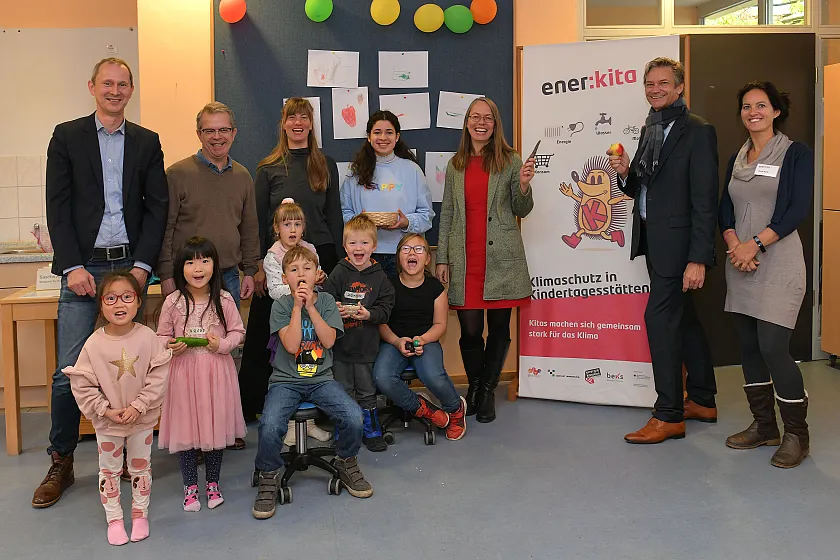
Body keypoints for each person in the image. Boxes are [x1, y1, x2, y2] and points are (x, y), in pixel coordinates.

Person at [36, 57, 168, 508]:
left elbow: (157, 209)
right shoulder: (67, 136)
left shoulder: (147, 142)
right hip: (82, 269)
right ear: (92, 86)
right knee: (68, 371)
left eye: (122, 84)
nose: (114, 91)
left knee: (131, 367)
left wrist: (144, 266)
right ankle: (62, 459)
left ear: (131, 90)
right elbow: (58, 205)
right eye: (107, 83)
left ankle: (132, 458)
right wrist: (71, 266)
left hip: (130, 267)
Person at [608, 57, 719, 444]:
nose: (655, 89)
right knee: (684, 318)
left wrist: (698, 258)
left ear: (679, 87)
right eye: (649, 83)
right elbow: (640, 187)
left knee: (659, 321)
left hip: (680, 248)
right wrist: (625, 172)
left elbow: (706, 202)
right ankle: (703, 399)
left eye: (663, 83)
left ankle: (669, 413)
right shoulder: (651, 127)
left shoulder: (698, 131)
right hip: (654, 243)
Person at [719, 81, 813, 468]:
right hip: (739, 260)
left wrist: (753, 245)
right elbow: (724, 205)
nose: (752, 111)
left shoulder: (795, 154)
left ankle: (797, 435)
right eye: (746, 106)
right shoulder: (737, 158)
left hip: (777, 262)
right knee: (750, 348)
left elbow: (796, 209)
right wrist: (733, 243)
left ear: (776, 111)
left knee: (774, 347)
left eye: (761, 105)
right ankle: (764, 427)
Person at [240, 97, 343, 426]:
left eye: (304, 117)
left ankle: (325, 407)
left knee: (318, 331)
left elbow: (334, 215)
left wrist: (337, 264)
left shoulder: (324, 163)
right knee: (262, 334)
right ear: (283, 124)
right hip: (277, 262)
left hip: (318, 255)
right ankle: (253, 405)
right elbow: (256, 219)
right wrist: (256, 265)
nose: (298, 123)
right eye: (291, 117)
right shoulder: (268, 167)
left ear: (312, 124)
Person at [252, 246, 373, 520]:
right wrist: (297, 306)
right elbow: (293, 345)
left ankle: (346, 461)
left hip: (321, 380)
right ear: (285, 278)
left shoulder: (328, 301)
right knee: (270, 424)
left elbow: (329, 341)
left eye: (307, 269)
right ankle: (269, 474)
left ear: (318, 274)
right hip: (286, 382)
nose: (301, 275)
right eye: (294, 270)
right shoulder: (280, 306)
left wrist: (311, 307)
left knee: (354, 417)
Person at [435, 97, 534, 423]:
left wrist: (522, 185)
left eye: (487, 118)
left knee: (500, 328)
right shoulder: (455, 164)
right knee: (470, 331)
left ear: (495, 124)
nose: (481, 123)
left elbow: (522, 209)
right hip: (466, 260)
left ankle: (486, 390)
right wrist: (443, 258)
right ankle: (476, 385)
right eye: (475, 117)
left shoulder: (510, 160)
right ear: (466, 123)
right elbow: (447, 213)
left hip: (500, 258)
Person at [63, 271, 171, 545]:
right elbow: (82, 383)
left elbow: (159, 376)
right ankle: (113, 518)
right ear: (100, 305)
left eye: (126, 297)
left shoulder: (147, 337)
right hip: (108, 423)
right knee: (109, 471)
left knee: (140, 468)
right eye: (110, 298)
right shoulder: (94, 343)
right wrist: (104, 410)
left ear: (137, 302)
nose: (119, 304)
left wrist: (139, 405)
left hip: (142, 421)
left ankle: (139, 514)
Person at [156, 237, 247, 510]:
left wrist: (223, 345)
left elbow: (238, 332)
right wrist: (171, 346)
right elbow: (160, 336)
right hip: (183, 373)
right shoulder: (172, 302)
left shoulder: (224, 299)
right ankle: (190, 487)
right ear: (180, 268)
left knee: (214, 428)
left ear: (215, 265)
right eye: (190, 261)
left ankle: (213, 483)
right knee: (187, 430)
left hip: (216, 373)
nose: (198, 268)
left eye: (205, 260)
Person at [158, 101, 260, 309]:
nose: (217, 136)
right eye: (209, 130)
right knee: (186, 340)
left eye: (223, 130)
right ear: (199, 134)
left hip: (229, 276)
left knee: (227, 340)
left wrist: (250, 271)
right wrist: (166, 274)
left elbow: (249, 229)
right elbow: (164, 228)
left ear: (234, 133)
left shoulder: (242, 176)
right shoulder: (177, 174)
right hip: (185, 279)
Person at [376, 233, 467, 441]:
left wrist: (423, 340)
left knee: (433, 376)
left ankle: (455, 408)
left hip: (427, 340)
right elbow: (382, 323)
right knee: (383, 377)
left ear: (427, 258)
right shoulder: (387, 286)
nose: (412, 253)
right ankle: (425, 410)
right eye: (406, 249)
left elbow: (440, 324)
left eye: (419, 249)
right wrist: (397, 341)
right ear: (398, 256)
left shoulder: (435, 288)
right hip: (394, 341)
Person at [321, 214, 395, 451]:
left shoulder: (381, 278)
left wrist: (369, 315)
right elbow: (324, 300)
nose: (358, 248)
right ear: (345, 246)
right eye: (352, 243)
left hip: (366, 349)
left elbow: (385, 310)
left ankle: (371, 430)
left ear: (374, 246)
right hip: (341, 348)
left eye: (364, 243)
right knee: (342, 392)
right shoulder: (339, 272)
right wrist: (335, 310)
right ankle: (345, 431)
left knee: (366, 391)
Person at [262, 198, 333, 445]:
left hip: (311, 320)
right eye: (286, 224)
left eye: (297, 224)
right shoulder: (272, 256)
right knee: (291, 369)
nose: (292, 230)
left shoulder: (310, 249)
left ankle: (309, 424)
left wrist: (318, 278)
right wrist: (299, 291)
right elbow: (274, 289)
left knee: (310, 365)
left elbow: (317, 276)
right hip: (287, 319)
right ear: (276, 228)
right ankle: (292, 426)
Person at [341, 110, 434, 277]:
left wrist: (406, 222)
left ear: (397, 137)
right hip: (364, 255)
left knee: (400, 303)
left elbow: (427, 215)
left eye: (389, 132)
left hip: (403, 254)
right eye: (377, 132)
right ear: (369, 137)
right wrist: (359, 222)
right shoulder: (355, 173)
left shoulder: (412, 170)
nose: (383, 137)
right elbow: (344, 212)